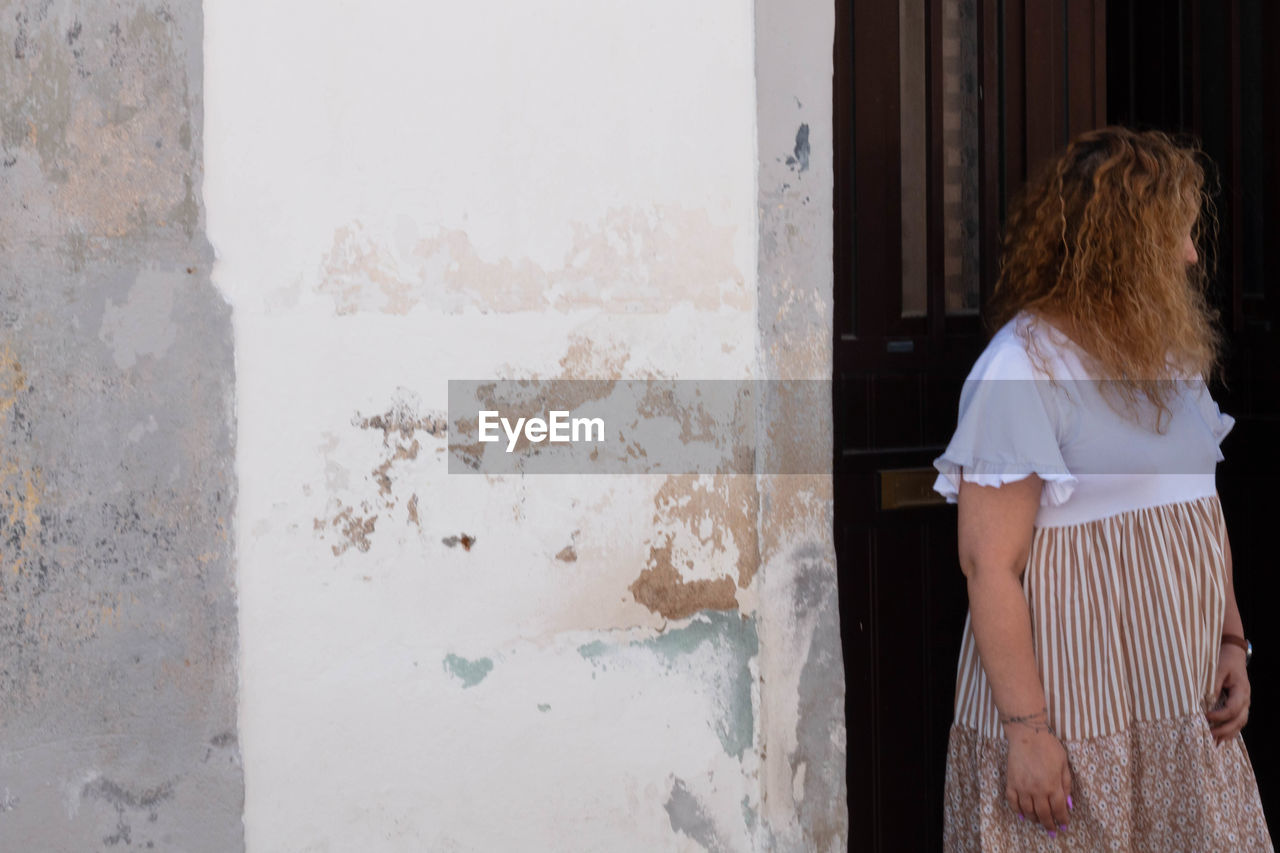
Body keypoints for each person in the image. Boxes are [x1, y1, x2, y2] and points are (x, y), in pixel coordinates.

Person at [932, 126, 1273, 851]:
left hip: (1178, 704)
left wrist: (1231, 638)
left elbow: (1197, 514)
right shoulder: (1022, 367)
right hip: (1074, 718)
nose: (1190, 255)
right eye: (1176, 235)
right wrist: (1027, 736)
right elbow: (987, 565)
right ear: (1119, 245)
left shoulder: (1173, 355)